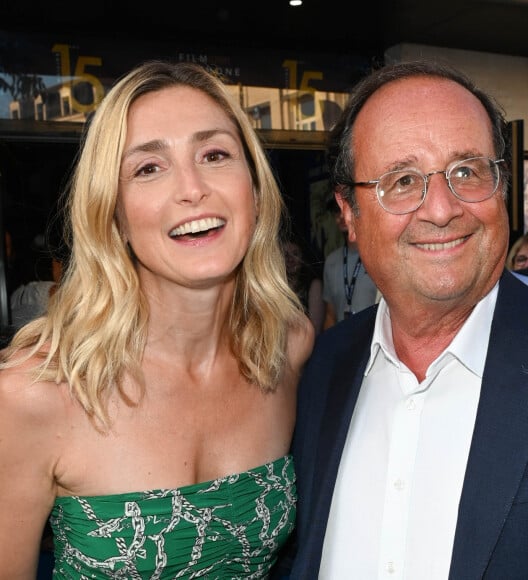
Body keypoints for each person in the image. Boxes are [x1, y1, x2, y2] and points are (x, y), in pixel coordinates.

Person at [0, 60, 314, 578]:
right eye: (148, 167)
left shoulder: (287, 346)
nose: (192, 189)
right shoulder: (36, 393)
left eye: (214, 155)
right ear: (114, 215)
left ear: (253, 191)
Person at [289, 60, 528, 579]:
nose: (442, 209)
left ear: (502, 187)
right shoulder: (321, 369)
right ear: (348, 214)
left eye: (467, 171)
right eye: (402, 181)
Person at [322, 197, 377, 329]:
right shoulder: (331, 261)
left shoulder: (377, 256)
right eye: (337, 210)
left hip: (374, 341)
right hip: (343, 341)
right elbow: (330, 315)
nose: (341, 215)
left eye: (347, 208)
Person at [283, 235, 325, 335]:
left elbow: (315, 329)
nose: (290, 259)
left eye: (295, 254)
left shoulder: (314, 285)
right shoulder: (275, 286)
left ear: (303, 257)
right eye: (286, 255)